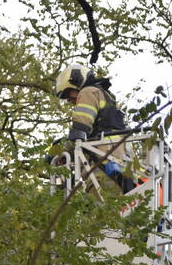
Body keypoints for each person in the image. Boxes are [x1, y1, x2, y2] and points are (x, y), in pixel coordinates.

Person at [54, 64, 135, 193]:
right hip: (117, 163)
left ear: (77, 81)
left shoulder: (88, 92)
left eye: (68, 93)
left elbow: (80, 129)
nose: (69, 99)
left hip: (103, 163)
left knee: (102, 206)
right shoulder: (105, 96)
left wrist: (61, 153)